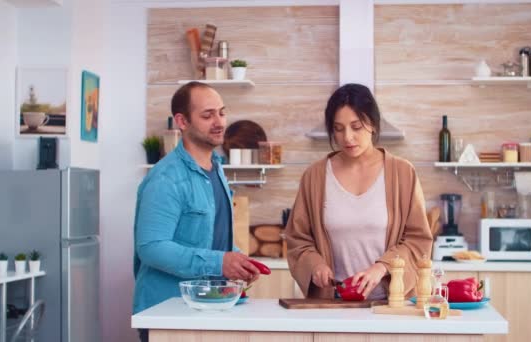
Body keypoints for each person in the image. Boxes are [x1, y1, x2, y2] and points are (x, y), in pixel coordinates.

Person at [133, 82, 259, 342]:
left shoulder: (216, 169)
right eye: (207, 115)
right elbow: (151, 247)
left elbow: (209, 237)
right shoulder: (166, 179)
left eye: (222, 113)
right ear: (182, 121)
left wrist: (238, 261)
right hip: (167, 315)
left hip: (206, 307)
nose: (219, 122)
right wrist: (219, 262)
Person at [285, 83, 433, 300]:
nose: (347, 137)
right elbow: (297, 239)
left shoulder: (402, 173)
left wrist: (382, 267)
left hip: (389, 303)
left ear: (372, 124)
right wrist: (314, 264)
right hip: (333, 302)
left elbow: (418, 239)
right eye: (338, 128)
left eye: (356, 127)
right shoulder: (314, 176)